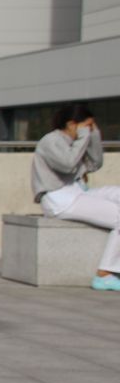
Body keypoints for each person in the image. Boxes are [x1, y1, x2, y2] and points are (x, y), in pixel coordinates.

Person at [33, 104, 119, 292]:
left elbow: (95, 164)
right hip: (59, 198)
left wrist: (94, 136)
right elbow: (67, 164)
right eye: (87, 126)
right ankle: (104, 274)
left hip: (78, 192)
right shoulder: (50, 141)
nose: (89, 130)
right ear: (72, 124)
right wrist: (83, 138)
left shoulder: (78, 140)